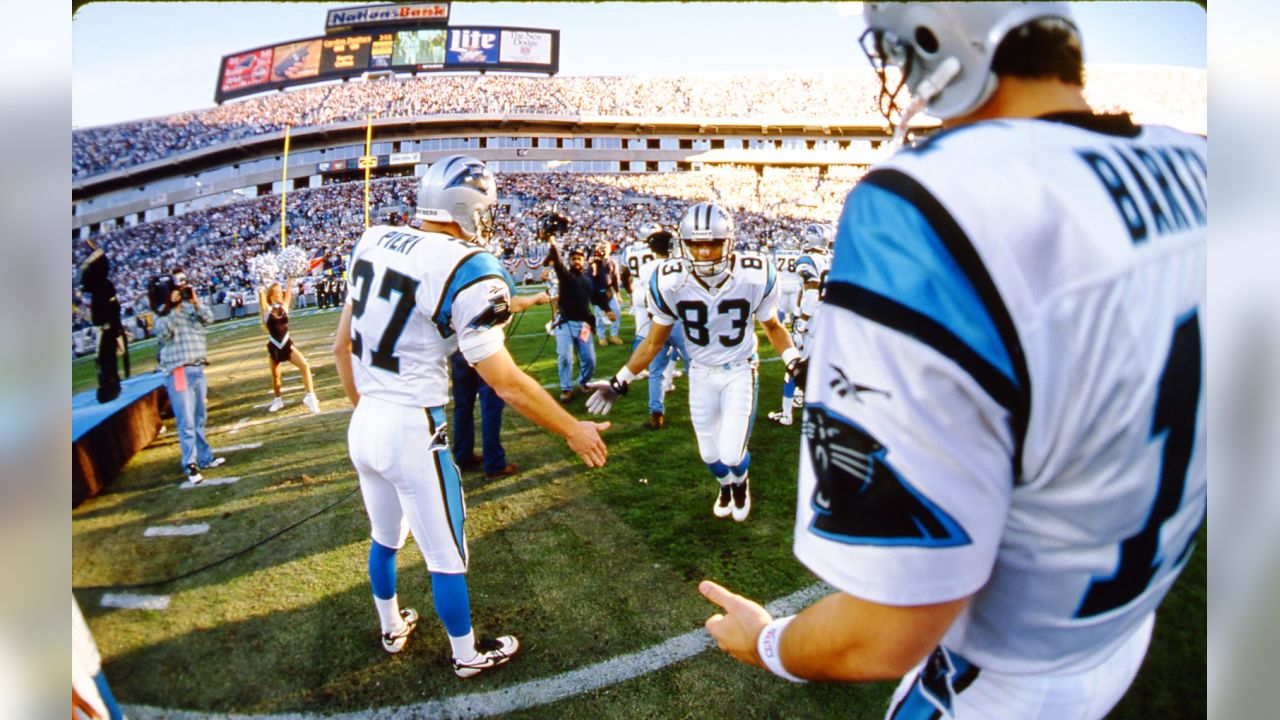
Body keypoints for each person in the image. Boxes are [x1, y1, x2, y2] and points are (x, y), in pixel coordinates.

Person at [698, 5, 1207, 719]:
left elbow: (884, 633)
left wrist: (769, 643)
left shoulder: (930, 204)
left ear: (936, 38)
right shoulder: (1199, 165)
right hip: (1122, 626)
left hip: (999, 675)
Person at [332, 155, 610, 677]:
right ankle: (466, 655)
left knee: (385, 536)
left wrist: (366, 410)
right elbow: (503, 380)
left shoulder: (372, 239)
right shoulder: (468, 267)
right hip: (411, 424)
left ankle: (392, 627)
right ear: (467, 207)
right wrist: (573, 428)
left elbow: (338, 346)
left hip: (365, 418)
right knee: (445, 552)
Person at [586, 202, 805, 522]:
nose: (704, 253)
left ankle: (741, 484)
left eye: (713, 243)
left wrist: (794, 360)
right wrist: (620, 381)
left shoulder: (755, 273)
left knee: (731, 452)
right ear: (683, 245)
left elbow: (772, 326)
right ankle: (726, 486)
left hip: (740, 369)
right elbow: (654, 341)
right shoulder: (667, 279)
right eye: (696, 244)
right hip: (700, 371)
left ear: (729, 242)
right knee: (709, 454)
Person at [451, 288, 550, 480]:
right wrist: (537, 298)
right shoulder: (486, 268)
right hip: (485, 349)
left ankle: (464, 457)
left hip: (459, 346)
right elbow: (512, 304)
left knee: (463, 405)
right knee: (491, 407)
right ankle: (494, 463)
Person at [151, 268, 225, 485]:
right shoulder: (161, 311)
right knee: (186, 420)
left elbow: (208, 319)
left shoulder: (189, 305)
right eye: (178, 285)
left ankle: (204, 457)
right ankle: (190, 464)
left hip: (197, 368)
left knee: (200, 416)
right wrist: (172, 308)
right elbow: (163, 332)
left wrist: (195, 302)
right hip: (179, 370)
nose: (183, 288)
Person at [768, 223, 833, 427]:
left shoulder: (806, 260)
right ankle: (808, 400)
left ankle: (787, 414)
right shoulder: (831, 258)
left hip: (812, 319)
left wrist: (803, 321)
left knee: (795, 364)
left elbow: (812, 292)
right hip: (828, 317)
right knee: (821, 363)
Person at [627, 222, 690, 430]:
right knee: (696, 366)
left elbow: (646, 297)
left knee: (656, 371)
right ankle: (704, 410)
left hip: (657, 321)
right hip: (679, 320)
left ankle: (656, 413)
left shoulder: (646, 268)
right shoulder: (682, 265)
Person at [542, 216, 598, 403]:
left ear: (584, 261)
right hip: (565, 324)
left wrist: (607, 309)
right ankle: (566, 388)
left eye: (579, 259)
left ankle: (583, 382)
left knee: (589, 360)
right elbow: (557, 261)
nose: (576, 261)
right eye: (573, 258)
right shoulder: (566, 276)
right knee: (565, 358)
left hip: (583, 325)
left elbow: (595, 298)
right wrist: (552, 242)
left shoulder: (588, 280)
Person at [257, 280, 320, 414]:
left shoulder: (284, 307)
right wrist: (260, 289)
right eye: (279, 292)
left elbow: (289, 291)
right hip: (274, 346)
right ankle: (278, 399)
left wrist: (291, 279)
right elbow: (262, 304)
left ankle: (310, 396)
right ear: (272, 296)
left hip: (286, 345)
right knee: (276, 377)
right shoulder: (268, 311)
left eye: (281, 291)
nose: (282, 294)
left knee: (304, 365)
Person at [589, 241, 624, 346]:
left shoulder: (613, 263)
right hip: (598, 294)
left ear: (610, 249)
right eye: (601, 247)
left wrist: (617, 294)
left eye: (605, 247)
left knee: (616, 313)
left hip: (610, 293)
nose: (603, 249)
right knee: (600, 317)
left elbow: (615, 280)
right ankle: (602, 337)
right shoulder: (594, 263)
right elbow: (591, 280)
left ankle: (614, 335)